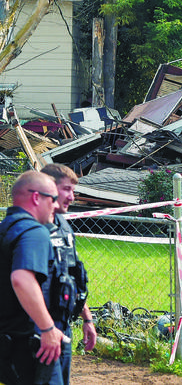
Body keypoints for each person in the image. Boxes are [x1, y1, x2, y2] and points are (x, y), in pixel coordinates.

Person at [0, 171, 65, 384]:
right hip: (27, 344)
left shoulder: (5, 229)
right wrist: (47, 328)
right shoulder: (34, 232)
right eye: (52, 198)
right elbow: (22, 278)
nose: (56, 206)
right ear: (36, 197)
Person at [40, 164, 97, 385]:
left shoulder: (63, 225)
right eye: (67, 190)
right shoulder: (31, 229)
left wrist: (87, 319)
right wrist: (44, 328)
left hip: (62, 326)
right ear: (48, 188)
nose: (72, 198)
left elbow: (69, 277)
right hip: (37, 329)